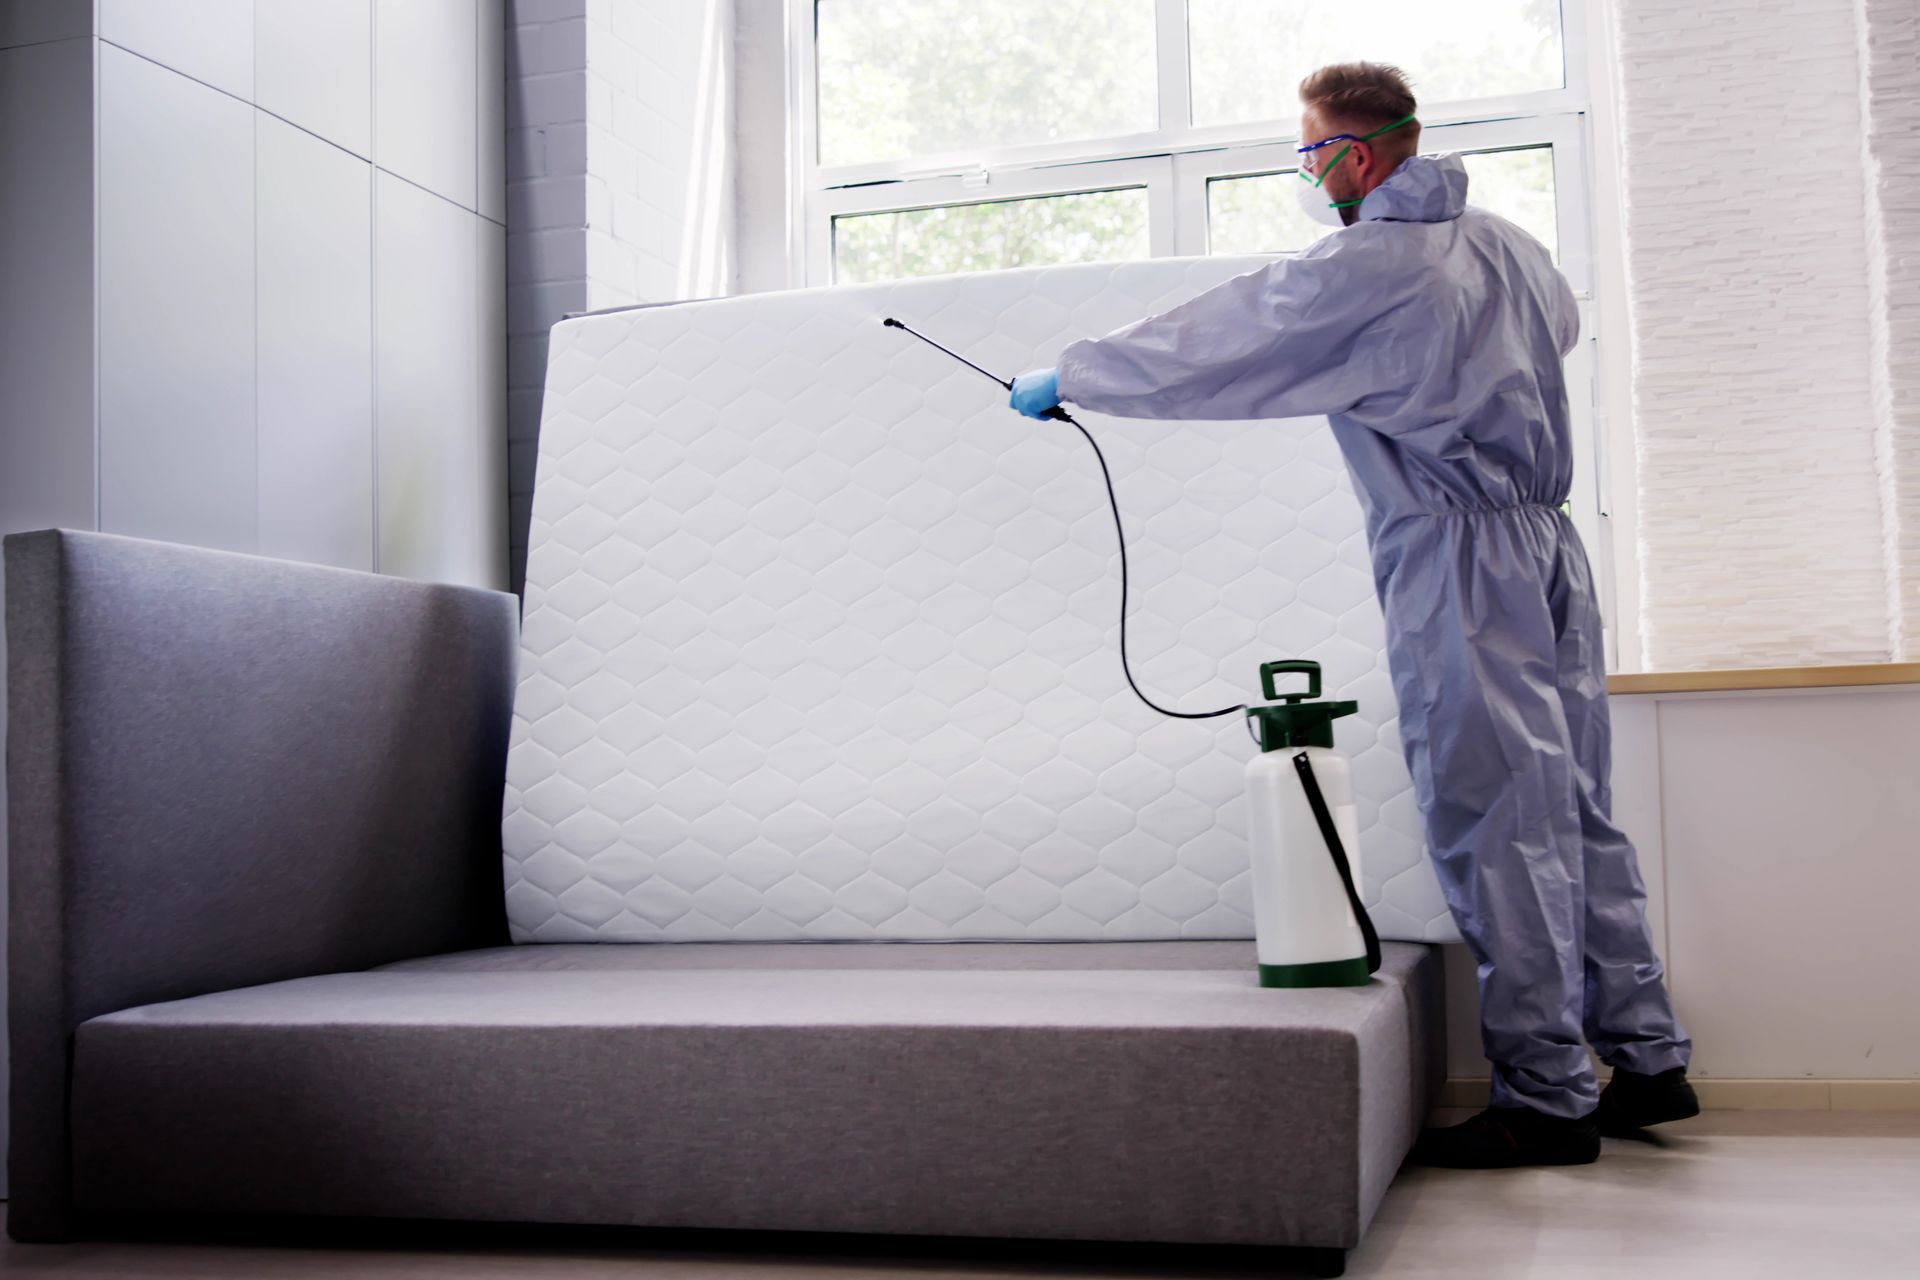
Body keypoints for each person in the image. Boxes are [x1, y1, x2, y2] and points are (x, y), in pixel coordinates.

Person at [1009, 62, 1694, 1169]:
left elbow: (1223, 336)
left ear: (1358, 155)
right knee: (1575, 804)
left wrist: (1076, 373)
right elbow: (1555, 334)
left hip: (1456, 553)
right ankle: (1650, 1058)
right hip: (1550, 542)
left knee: (1495, 817)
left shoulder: (1368, 263)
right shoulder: (1509, 245)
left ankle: (1551, 1100)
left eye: (1308, 150)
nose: (1306, 171)